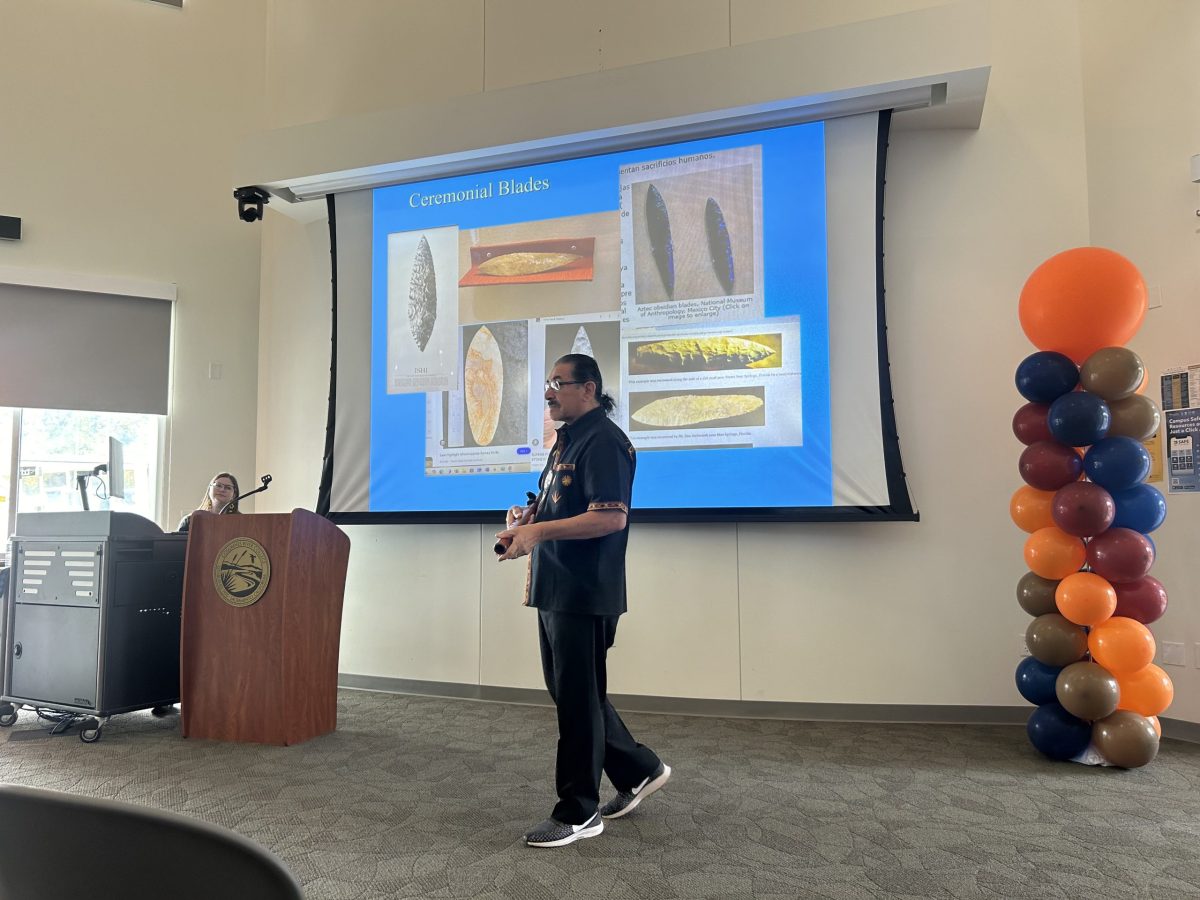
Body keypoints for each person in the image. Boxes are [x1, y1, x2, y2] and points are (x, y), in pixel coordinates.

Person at [496, 353, 670, 848]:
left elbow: (610, 517)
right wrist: (528, 516)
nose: (548, 392)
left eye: (558, 382)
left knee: (576, 699)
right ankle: (639, 770)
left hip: (584, 590)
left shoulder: (605, 442)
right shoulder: (567, 440)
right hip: (557, 587)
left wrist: (539, 532)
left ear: (588, 389)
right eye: (547, 383)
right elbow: (561, 504)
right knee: (575, 692)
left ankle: (578, 810)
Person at [177, 472, 241, 533]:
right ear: (209, 489)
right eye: (218, 485)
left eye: (228, 488)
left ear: (234, 495)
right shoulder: (190, 521)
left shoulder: (241, 521)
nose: (222, 490)